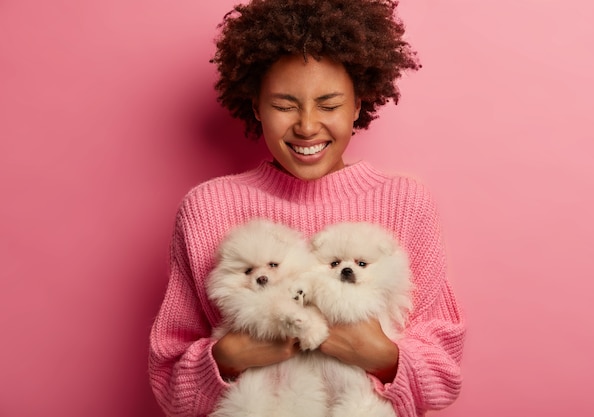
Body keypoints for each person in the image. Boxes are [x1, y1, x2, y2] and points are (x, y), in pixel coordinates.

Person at [148, 0, 465, 416]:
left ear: (358, 104)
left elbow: (443, 377)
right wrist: (233, 354)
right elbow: (170, 385)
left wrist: (378, 353)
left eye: (329, 104)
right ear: (256, 106)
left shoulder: (405, 203)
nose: (307, 125)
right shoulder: (207, 208)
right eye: (284, 105)